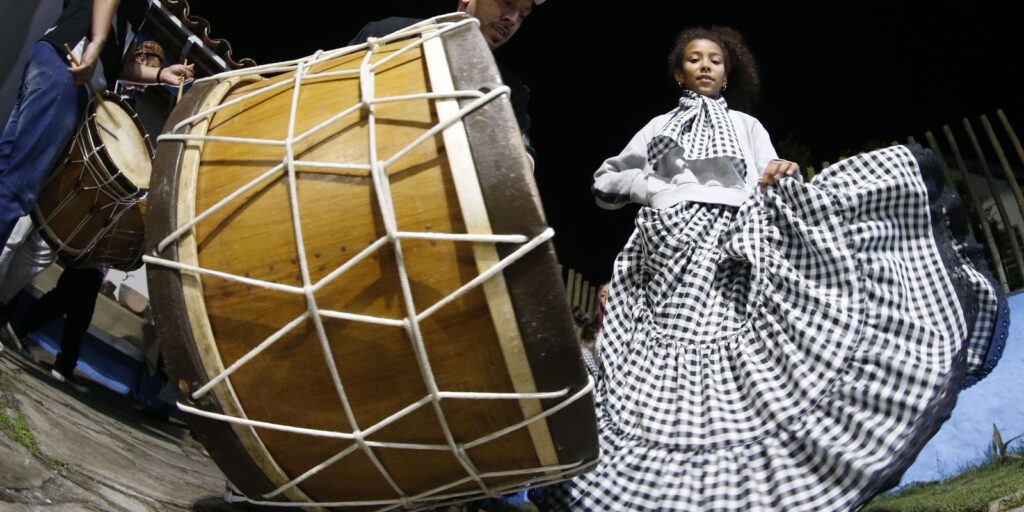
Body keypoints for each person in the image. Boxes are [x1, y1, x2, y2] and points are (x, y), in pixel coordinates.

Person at [537, 26, 1008, 511]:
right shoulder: (658, 127)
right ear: (679, 72)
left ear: (727, 72)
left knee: (743, 366)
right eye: (694, 59)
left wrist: (780, 171)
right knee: (665, 376)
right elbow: (606, 180)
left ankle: (757, 492)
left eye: (715, 60)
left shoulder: (746, 126)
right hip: (667, 253)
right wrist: (655, 191)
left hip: (733, 246)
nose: (705, 66)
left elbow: (768, 175)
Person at [0, 0, 192, 246]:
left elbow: (117, 64)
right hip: (69, 68)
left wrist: (160, 75)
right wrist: (96, 44)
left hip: (57, 60)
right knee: (16, 190)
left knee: (6, 173)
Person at [348, 0, 543, 162]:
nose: (513, 19)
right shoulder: (389, 34)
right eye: (507, 2)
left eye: (523, 15)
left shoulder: (509, 90)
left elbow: (523, 163)